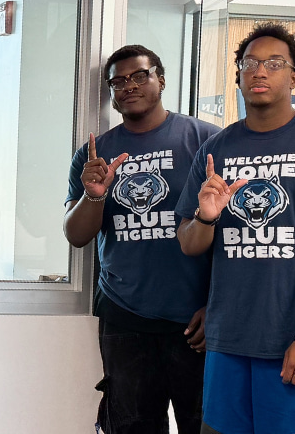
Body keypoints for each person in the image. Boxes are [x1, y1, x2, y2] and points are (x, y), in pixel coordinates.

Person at [175, 23, 295, 434]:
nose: (260, 72)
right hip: (227, 344)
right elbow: (190, 244)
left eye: (274, 64)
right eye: (250, 63)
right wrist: (207, 216)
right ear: (239, 75)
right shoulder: (215, 151)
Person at [64, 45, 220, 433]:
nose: (128, 86)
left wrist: (216, 305)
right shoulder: (95, 154)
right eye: (118, 81)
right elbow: (76, 235)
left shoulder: (206, 141)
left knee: (202, 424)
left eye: (139, 75)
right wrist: (94, 194)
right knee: (132, 425)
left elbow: (230, 238)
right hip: (125, 315)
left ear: (161, 79)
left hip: (195, 319)